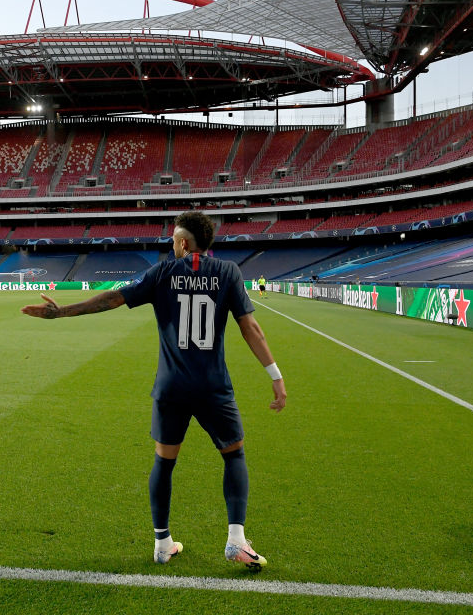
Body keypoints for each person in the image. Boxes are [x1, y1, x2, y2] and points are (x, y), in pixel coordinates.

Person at [21, 211, 287, 570]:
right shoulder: (228, 273)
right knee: (234, 455)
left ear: (182, 242)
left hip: (171, 387)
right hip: (213, 387)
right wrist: (274, 374)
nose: (171, 243)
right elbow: (251, 328)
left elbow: (113, 300)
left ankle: (162, 543)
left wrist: (61, 312)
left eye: (173, 238)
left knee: (164, 461)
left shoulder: (163, 273)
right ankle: (236, 540)